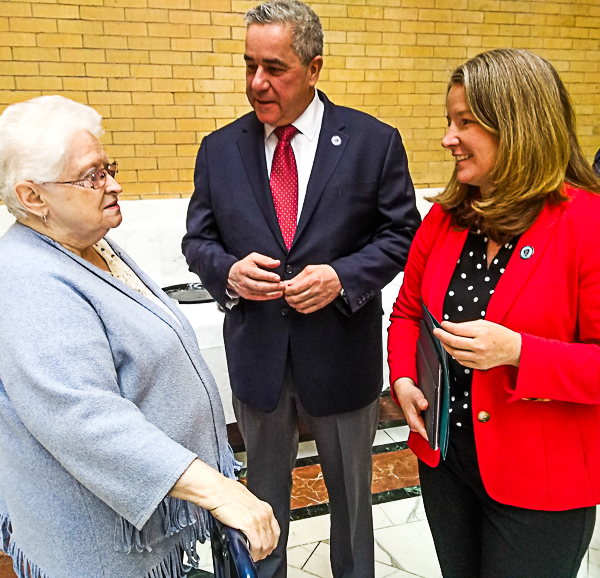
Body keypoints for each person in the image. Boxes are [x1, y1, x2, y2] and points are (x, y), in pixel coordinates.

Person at [182, 1, 420, 576]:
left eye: (274, 67)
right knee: (260, 510)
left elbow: (402, 234)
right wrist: (227, 273)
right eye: (248, 66)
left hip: (341, 357)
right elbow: (198, 240)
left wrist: (343, 277)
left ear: (314, 68)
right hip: (258, 360)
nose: (257, 83)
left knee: (353, 510)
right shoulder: (219, 149)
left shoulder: (373, 142)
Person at [0, 95, 279, 578]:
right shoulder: (27, 280)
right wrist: (217, 489)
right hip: (97, 544)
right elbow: (84, 416)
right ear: (33, 197)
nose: (114, 184)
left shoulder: (89, 241)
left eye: (107, 167)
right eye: (92, 176)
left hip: (140, 521)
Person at [388, 48, 600, 578]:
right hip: (446, 460)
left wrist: (519, 352)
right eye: (448, 121)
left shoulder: (585, 224)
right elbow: (409, 311)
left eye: (466, 123)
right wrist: (404, 376)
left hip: (542, 478)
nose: (447, 138)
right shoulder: (444, 218)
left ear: (519, 126)